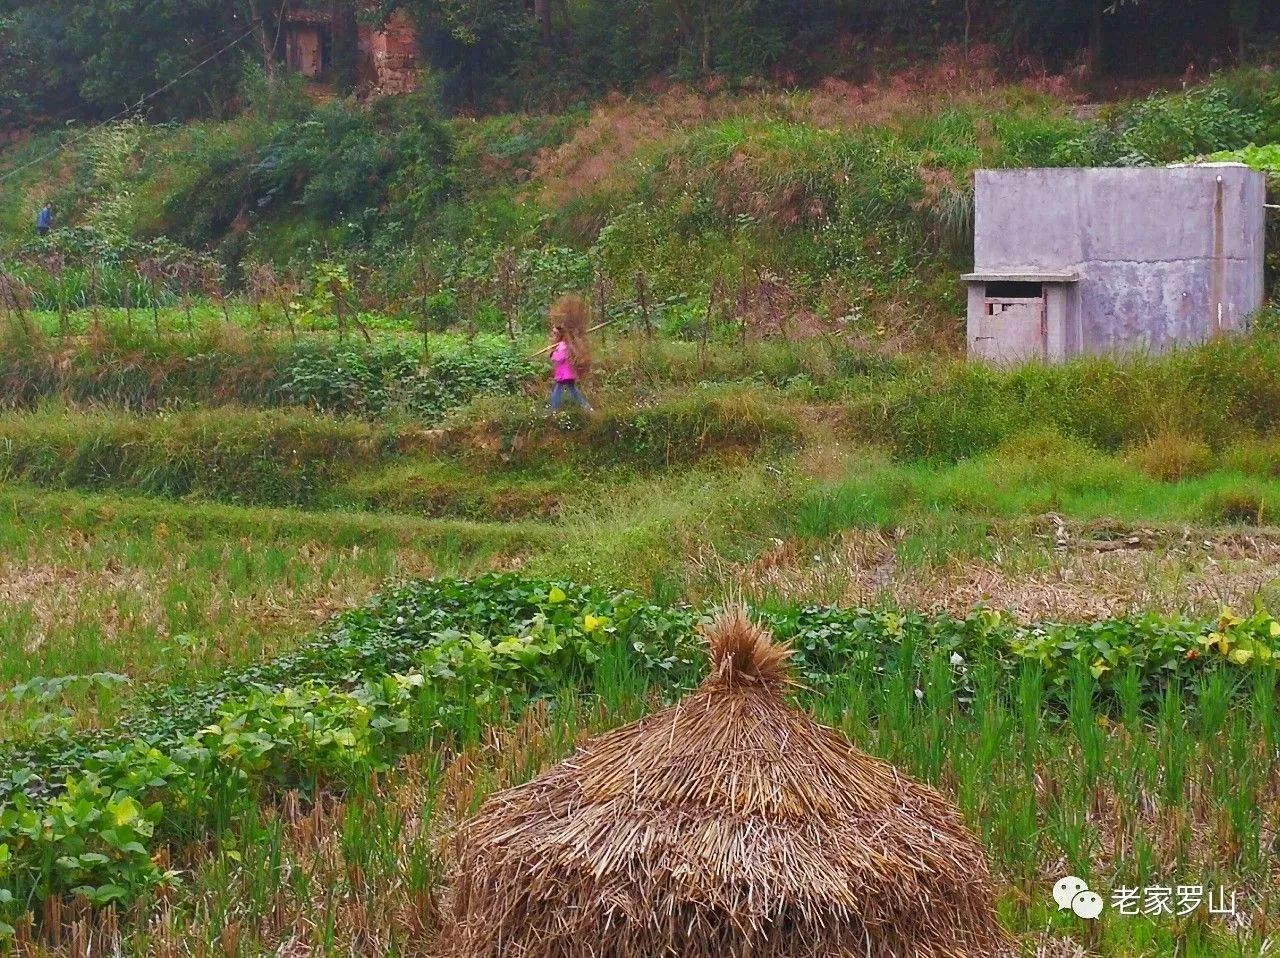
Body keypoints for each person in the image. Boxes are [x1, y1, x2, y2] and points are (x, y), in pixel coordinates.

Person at [547, 294, 594, 413]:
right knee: (573, 391)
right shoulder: (565, 344)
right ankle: (586, 407)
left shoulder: (563, 345)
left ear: (560, 334)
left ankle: (554, 409)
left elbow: (559, 358)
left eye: (555, 333)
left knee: (558, 391)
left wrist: (552, 354)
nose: (553, 335)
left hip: (565, 374)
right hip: (566, 374)